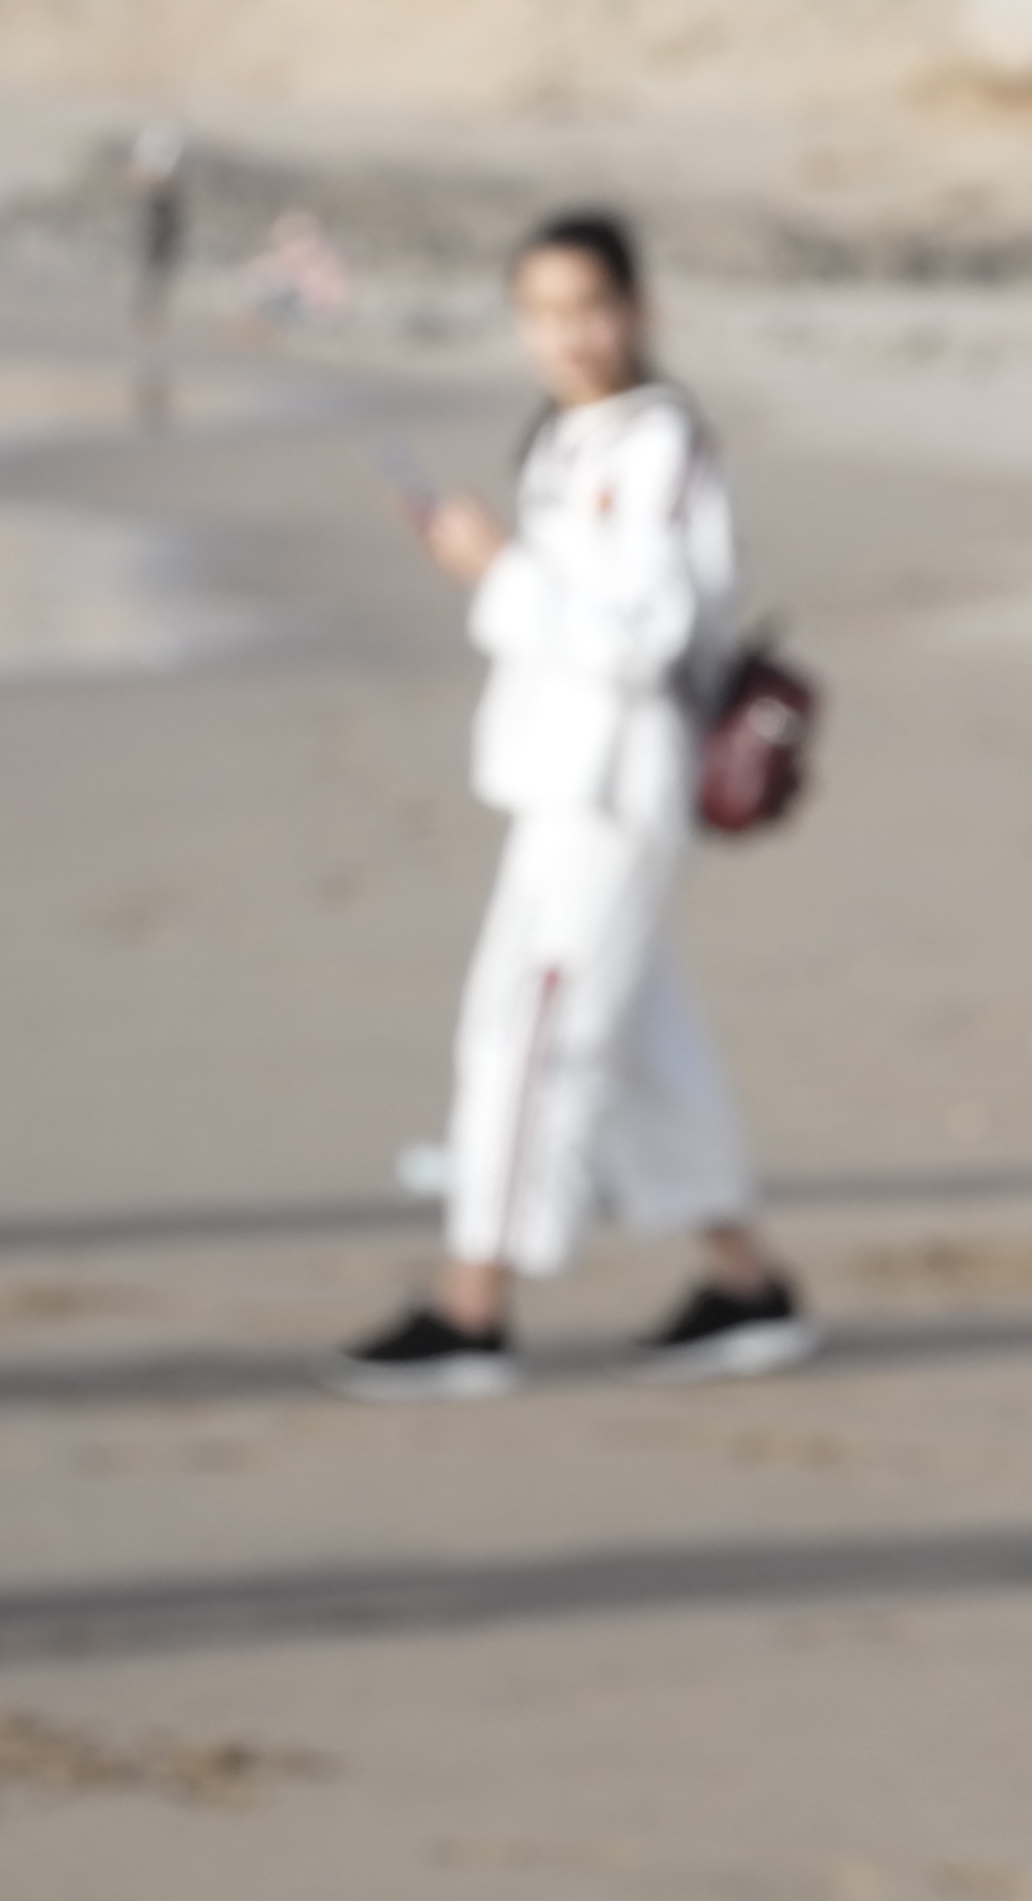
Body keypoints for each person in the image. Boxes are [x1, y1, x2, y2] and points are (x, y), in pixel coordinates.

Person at [335, 209, 810, 1399]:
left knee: (529, 1030)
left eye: (588, 309)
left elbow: (645, 640)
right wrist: (493, 565)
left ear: (636, 310)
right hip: (559, 780)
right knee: (641, 1041)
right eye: (543, 315)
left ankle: (473, 1305)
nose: (569, 335)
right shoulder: (567, 439)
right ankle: (745, 1285)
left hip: (616, 785)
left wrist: (495, 568)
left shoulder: (660, 445)